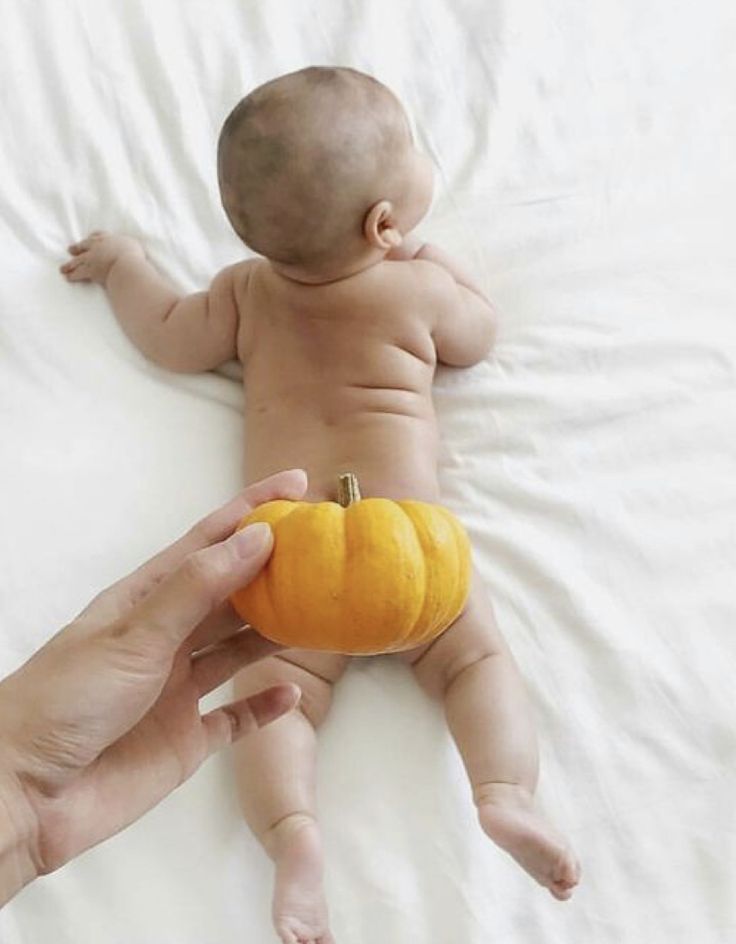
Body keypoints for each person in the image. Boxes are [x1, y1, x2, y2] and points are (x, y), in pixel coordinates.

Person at [60, 66, 580, 944]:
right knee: (474, 662)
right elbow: (478, 336)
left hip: (291, 552)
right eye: (413, 152)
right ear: (385, 224)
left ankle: (294, 841)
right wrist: (441, 264)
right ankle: (502, 794)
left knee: (277, 699)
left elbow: (167, 336)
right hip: (411, 548)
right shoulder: (415, 288)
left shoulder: (242, 293)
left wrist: (122, 265)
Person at [0, 469, 308, 908]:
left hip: (352, 583)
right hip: (293, 591)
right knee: (283, 697)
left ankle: (293, 827)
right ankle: (292, 826)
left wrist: (17, 785)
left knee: (283, 695)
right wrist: (15, 784)